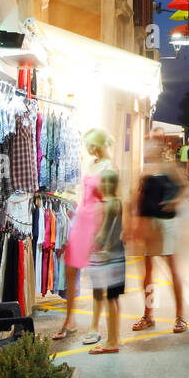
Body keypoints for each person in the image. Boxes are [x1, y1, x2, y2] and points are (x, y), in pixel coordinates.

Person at [52, 127, 109, 342]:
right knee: (70, 268)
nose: (87, 148)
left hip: (97, 221)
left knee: (96, 275)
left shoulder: (108, 168)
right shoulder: (92, 164)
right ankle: (70, 320)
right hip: (82, 219)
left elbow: (108, 202)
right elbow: (85, 196)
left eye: (89, 144)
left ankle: (95, 326)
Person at [127, 137, 187, 334]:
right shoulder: (144, 170)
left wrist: (174, 202)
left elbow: (183, 186)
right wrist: (133, 224)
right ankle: (148, 314)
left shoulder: (168, 168)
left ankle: (180, 317)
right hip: (147, 225)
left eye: (153, 148)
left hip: (166, 224)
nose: (149, 151)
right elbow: (137, 197)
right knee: (147, 273)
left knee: (172, 270)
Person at [85, 160, 125, 354]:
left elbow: (103, 233)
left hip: (108, 257)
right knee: (115, 299)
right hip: (119, 254)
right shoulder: (118, 202)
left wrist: (92, 245)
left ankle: (111, 342)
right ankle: (114, 337)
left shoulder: (105, 205)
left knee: (109, 300)